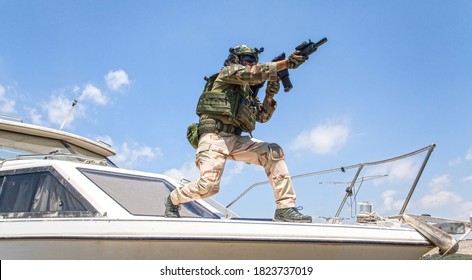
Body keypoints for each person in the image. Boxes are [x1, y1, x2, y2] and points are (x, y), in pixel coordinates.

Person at [165, 45, 312, 223]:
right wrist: (287, 63)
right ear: (236, 60)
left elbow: (262, 117)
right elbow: (251, 74)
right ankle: (173, 199)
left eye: (252, 61)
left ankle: (285, 208)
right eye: (246, 60)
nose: (249, 63)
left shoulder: (246, 94)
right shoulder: (228, 72)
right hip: (214, 137)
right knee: (209, 186)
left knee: (273, 151)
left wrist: (270, 95)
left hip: (234, 140)